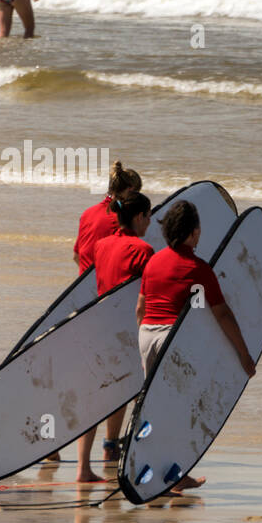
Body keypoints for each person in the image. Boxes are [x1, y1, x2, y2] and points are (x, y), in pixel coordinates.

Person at [136, 200, 256, 496]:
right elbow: (223, 314)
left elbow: (140, 307)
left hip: (146, 335)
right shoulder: (198, 269)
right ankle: (175, 476)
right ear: (193, 232)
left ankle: (154, 470)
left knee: (156, 406)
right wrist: (243, 354)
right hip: (169, 339)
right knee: (181, 408)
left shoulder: (153, 262)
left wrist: (146, 339)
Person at [74, 191, 156, 483]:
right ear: (138, 217)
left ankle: (84, 467)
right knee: (127, 390)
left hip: (98, 326)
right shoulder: (143, 250)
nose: (150, 222)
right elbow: (149, 296)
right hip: (124, 331)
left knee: (96, 395)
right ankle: (117, 451)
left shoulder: (102, 246)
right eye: (148, 216)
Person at [74, 162, 142, 274]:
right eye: (138, 194)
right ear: (130, 190)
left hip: (84, 285)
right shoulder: (122, 219)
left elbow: (76, 256)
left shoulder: (87, 213)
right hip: (107, 286)